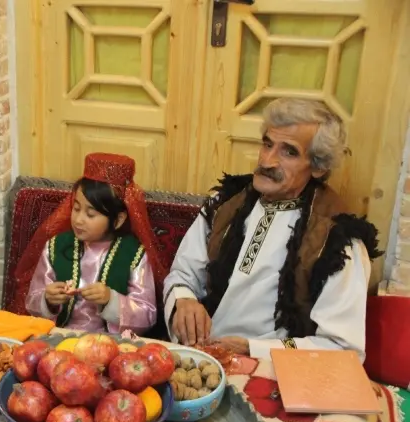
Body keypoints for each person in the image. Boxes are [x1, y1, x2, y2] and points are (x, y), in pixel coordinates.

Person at [163, 98, 381, 361]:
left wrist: (253, 350)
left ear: (318, 166)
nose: (267, 161)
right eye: (267, 144)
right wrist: (184, 301)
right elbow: (182, 275)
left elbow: (342, 348)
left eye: (289, 152)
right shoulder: (225, 205)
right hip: (198, 357)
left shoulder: (338, 242)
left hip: (273, 371)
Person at [11, 153, 167, 335]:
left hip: (110, 345)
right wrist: (48, 300)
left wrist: (111, 301)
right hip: (60, 338)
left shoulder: (134, 254)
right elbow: (32, 303)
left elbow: (147, 316)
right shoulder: (55, 247)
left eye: (90, 214)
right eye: (76, 208)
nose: (78, 220)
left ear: (117, 219)